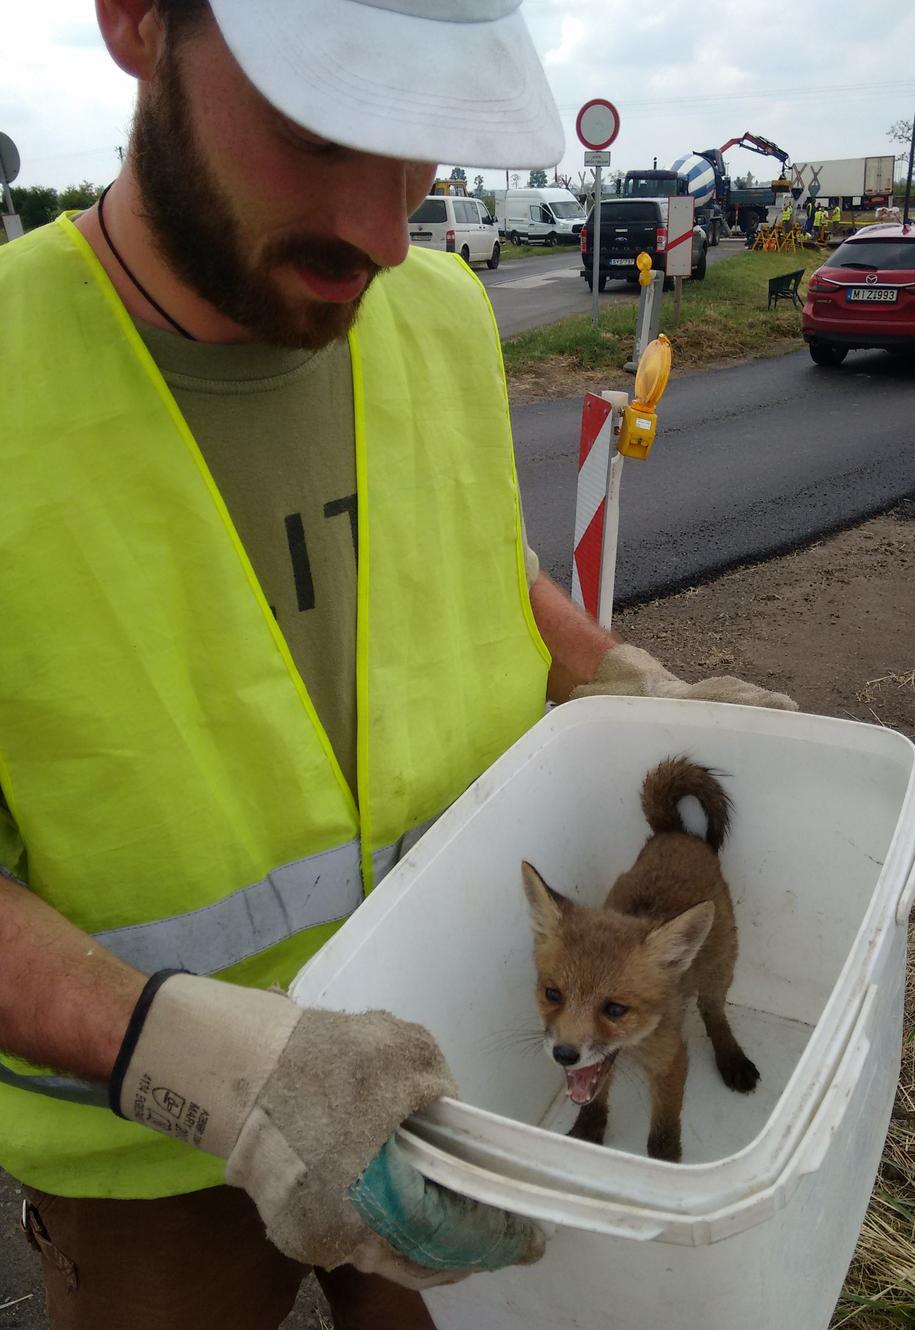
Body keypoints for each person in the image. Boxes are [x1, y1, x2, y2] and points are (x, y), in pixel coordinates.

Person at [0, 3, 797, 1328]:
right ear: (139, 23)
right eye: (322, 131)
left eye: (427, 151)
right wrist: (194, 1058)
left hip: (461, 1068)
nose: (382, 232)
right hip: (153, 1159)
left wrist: (610, 677)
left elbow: (478, 562)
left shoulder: (432, 313)